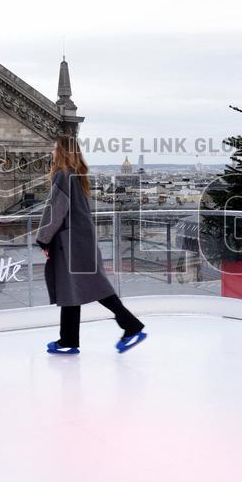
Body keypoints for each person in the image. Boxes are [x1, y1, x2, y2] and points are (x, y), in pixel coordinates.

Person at [35, 135, 147, 354]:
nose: (52, 153)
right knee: (78, 287)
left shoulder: (62, 175)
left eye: (55, 149)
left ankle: (130, 326)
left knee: (87, 287)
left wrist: (43, 239)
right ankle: (69, 339)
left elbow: (55, 210)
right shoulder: (78, 175)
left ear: (63, 152)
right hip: (81, 240)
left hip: (70, 243)